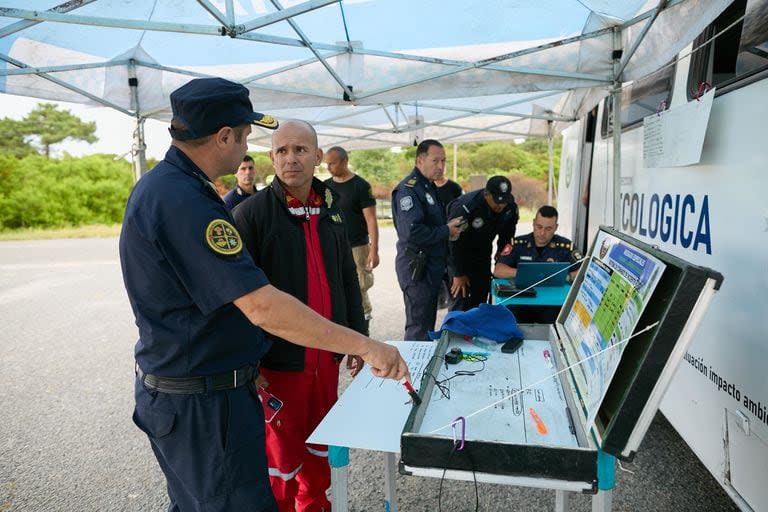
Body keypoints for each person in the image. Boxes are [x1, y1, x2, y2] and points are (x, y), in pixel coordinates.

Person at [119, 78, 409, 512]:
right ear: (223, 137)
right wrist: (366, 346)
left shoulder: (179, 189)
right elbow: (261, 305)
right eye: (247, 135)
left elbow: (339, 279)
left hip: (207, 393)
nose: (249, 146)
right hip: (204, 402)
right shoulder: (186, 201)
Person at [232, 121, 365, 512]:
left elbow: (346, 279)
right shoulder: (250, 214)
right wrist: (249, 359)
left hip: (326, 359)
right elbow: (239, 299)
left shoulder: (332, 210)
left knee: (319, 448)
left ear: (318, 156)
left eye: (301, 150)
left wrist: (358, 335)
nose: (292, 158)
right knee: (281, 460)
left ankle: (315, 506)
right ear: (272, 157)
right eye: (283, 151)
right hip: (280, 364)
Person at [392, 139, 465, 341]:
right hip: (417, 268)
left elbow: (432, 225)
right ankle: (413, 370)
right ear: (419, 161)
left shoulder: (429, 187)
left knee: (427, 325)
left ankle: (424, 367)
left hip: (431, 267)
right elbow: (411, 232)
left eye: (443, 161)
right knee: (418, 329)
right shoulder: (409, 189)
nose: (440, 166)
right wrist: (445, 231)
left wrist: (449, 230)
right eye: (435, 161)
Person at [323, 146, 379, 333]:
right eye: (327, 163)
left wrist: (374, 250)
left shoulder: (361, 186)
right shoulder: (326, 187)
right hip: (333, 246)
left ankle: (364, 327)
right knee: (336, 287)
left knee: (359, 286)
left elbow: (371, 219)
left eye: (332, 163)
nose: (329, 167)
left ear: (344, 161)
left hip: (357, 247)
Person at [493, 205, 580, 323]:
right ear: (533, 223)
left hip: (552, 304)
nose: (542, 233)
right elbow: (498, 270)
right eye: (539, 227)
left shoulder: (565, 247)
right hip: (522, 302)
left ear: (556, 227)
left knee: (558, 321)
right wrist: (525, 274)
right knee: (512, 318)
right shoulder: (518, 243)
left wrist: (567, 276)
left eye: (548, 229)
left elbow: (585, 270)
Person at [447, 175, 519, 311]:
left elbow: (507, 236)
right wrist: (458, 273)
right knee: (460, 299)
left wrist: (502, 259)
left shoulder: (510, 207)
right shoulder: (467, 207)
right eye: (497, 201)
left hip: (483, 252)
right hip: (459, 254)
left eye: (504, 201)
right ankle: (456, 331)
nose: (501, 205)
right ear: (486, 194)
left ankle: (476, 331)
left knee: (480, 299)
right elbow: (453, 242)